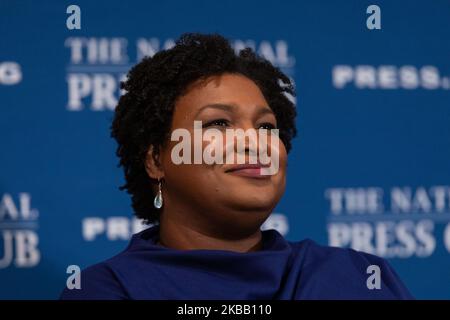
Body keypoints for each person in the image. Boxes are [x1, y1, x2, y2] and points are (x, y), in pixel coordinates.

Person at [60, 33, 412, 299]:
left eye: (267, 128)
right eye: (218, 124)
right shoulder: (108, 290)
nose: (254, 142)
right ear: (156, 160)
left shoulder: (360, 278)